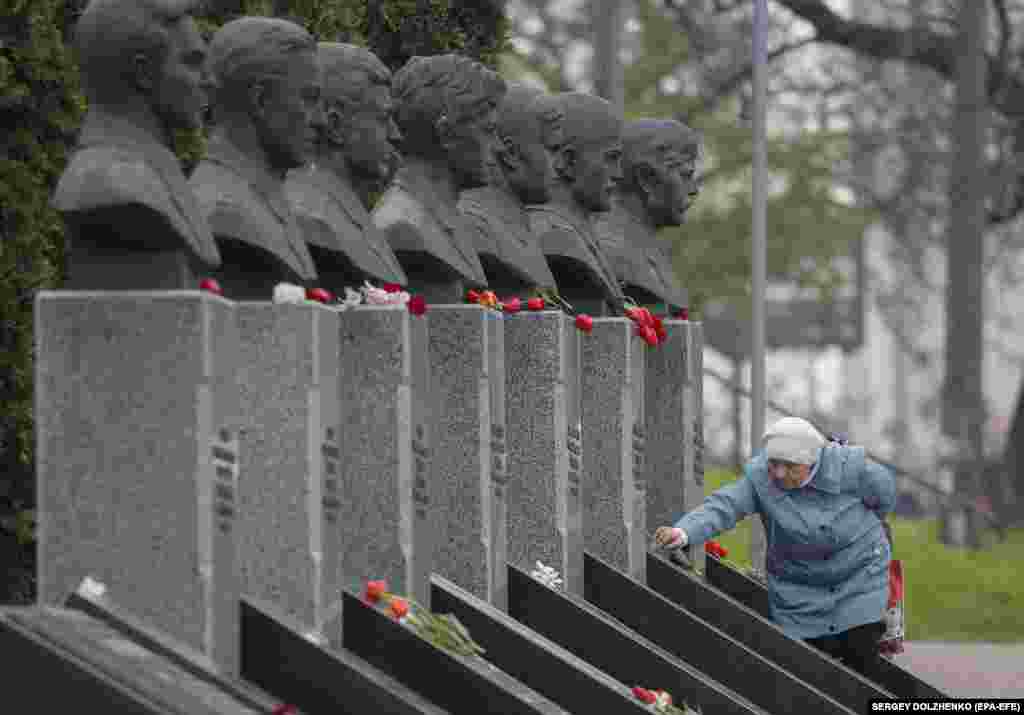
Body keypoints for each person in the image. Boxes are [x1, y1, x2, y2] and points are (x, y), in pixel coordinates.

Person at [654, 416, 896, 679]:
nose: (779, 473)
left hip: (858, 577)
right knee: (809, 666)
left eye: (789, 466)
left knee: (861, 655)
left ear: (811, 462)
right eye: (773, 464)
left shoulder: (854, 471)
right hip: (799, 588)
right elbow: (724, 506)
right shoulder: (761, 480)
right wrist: (684, 532)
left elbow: (884, 500)